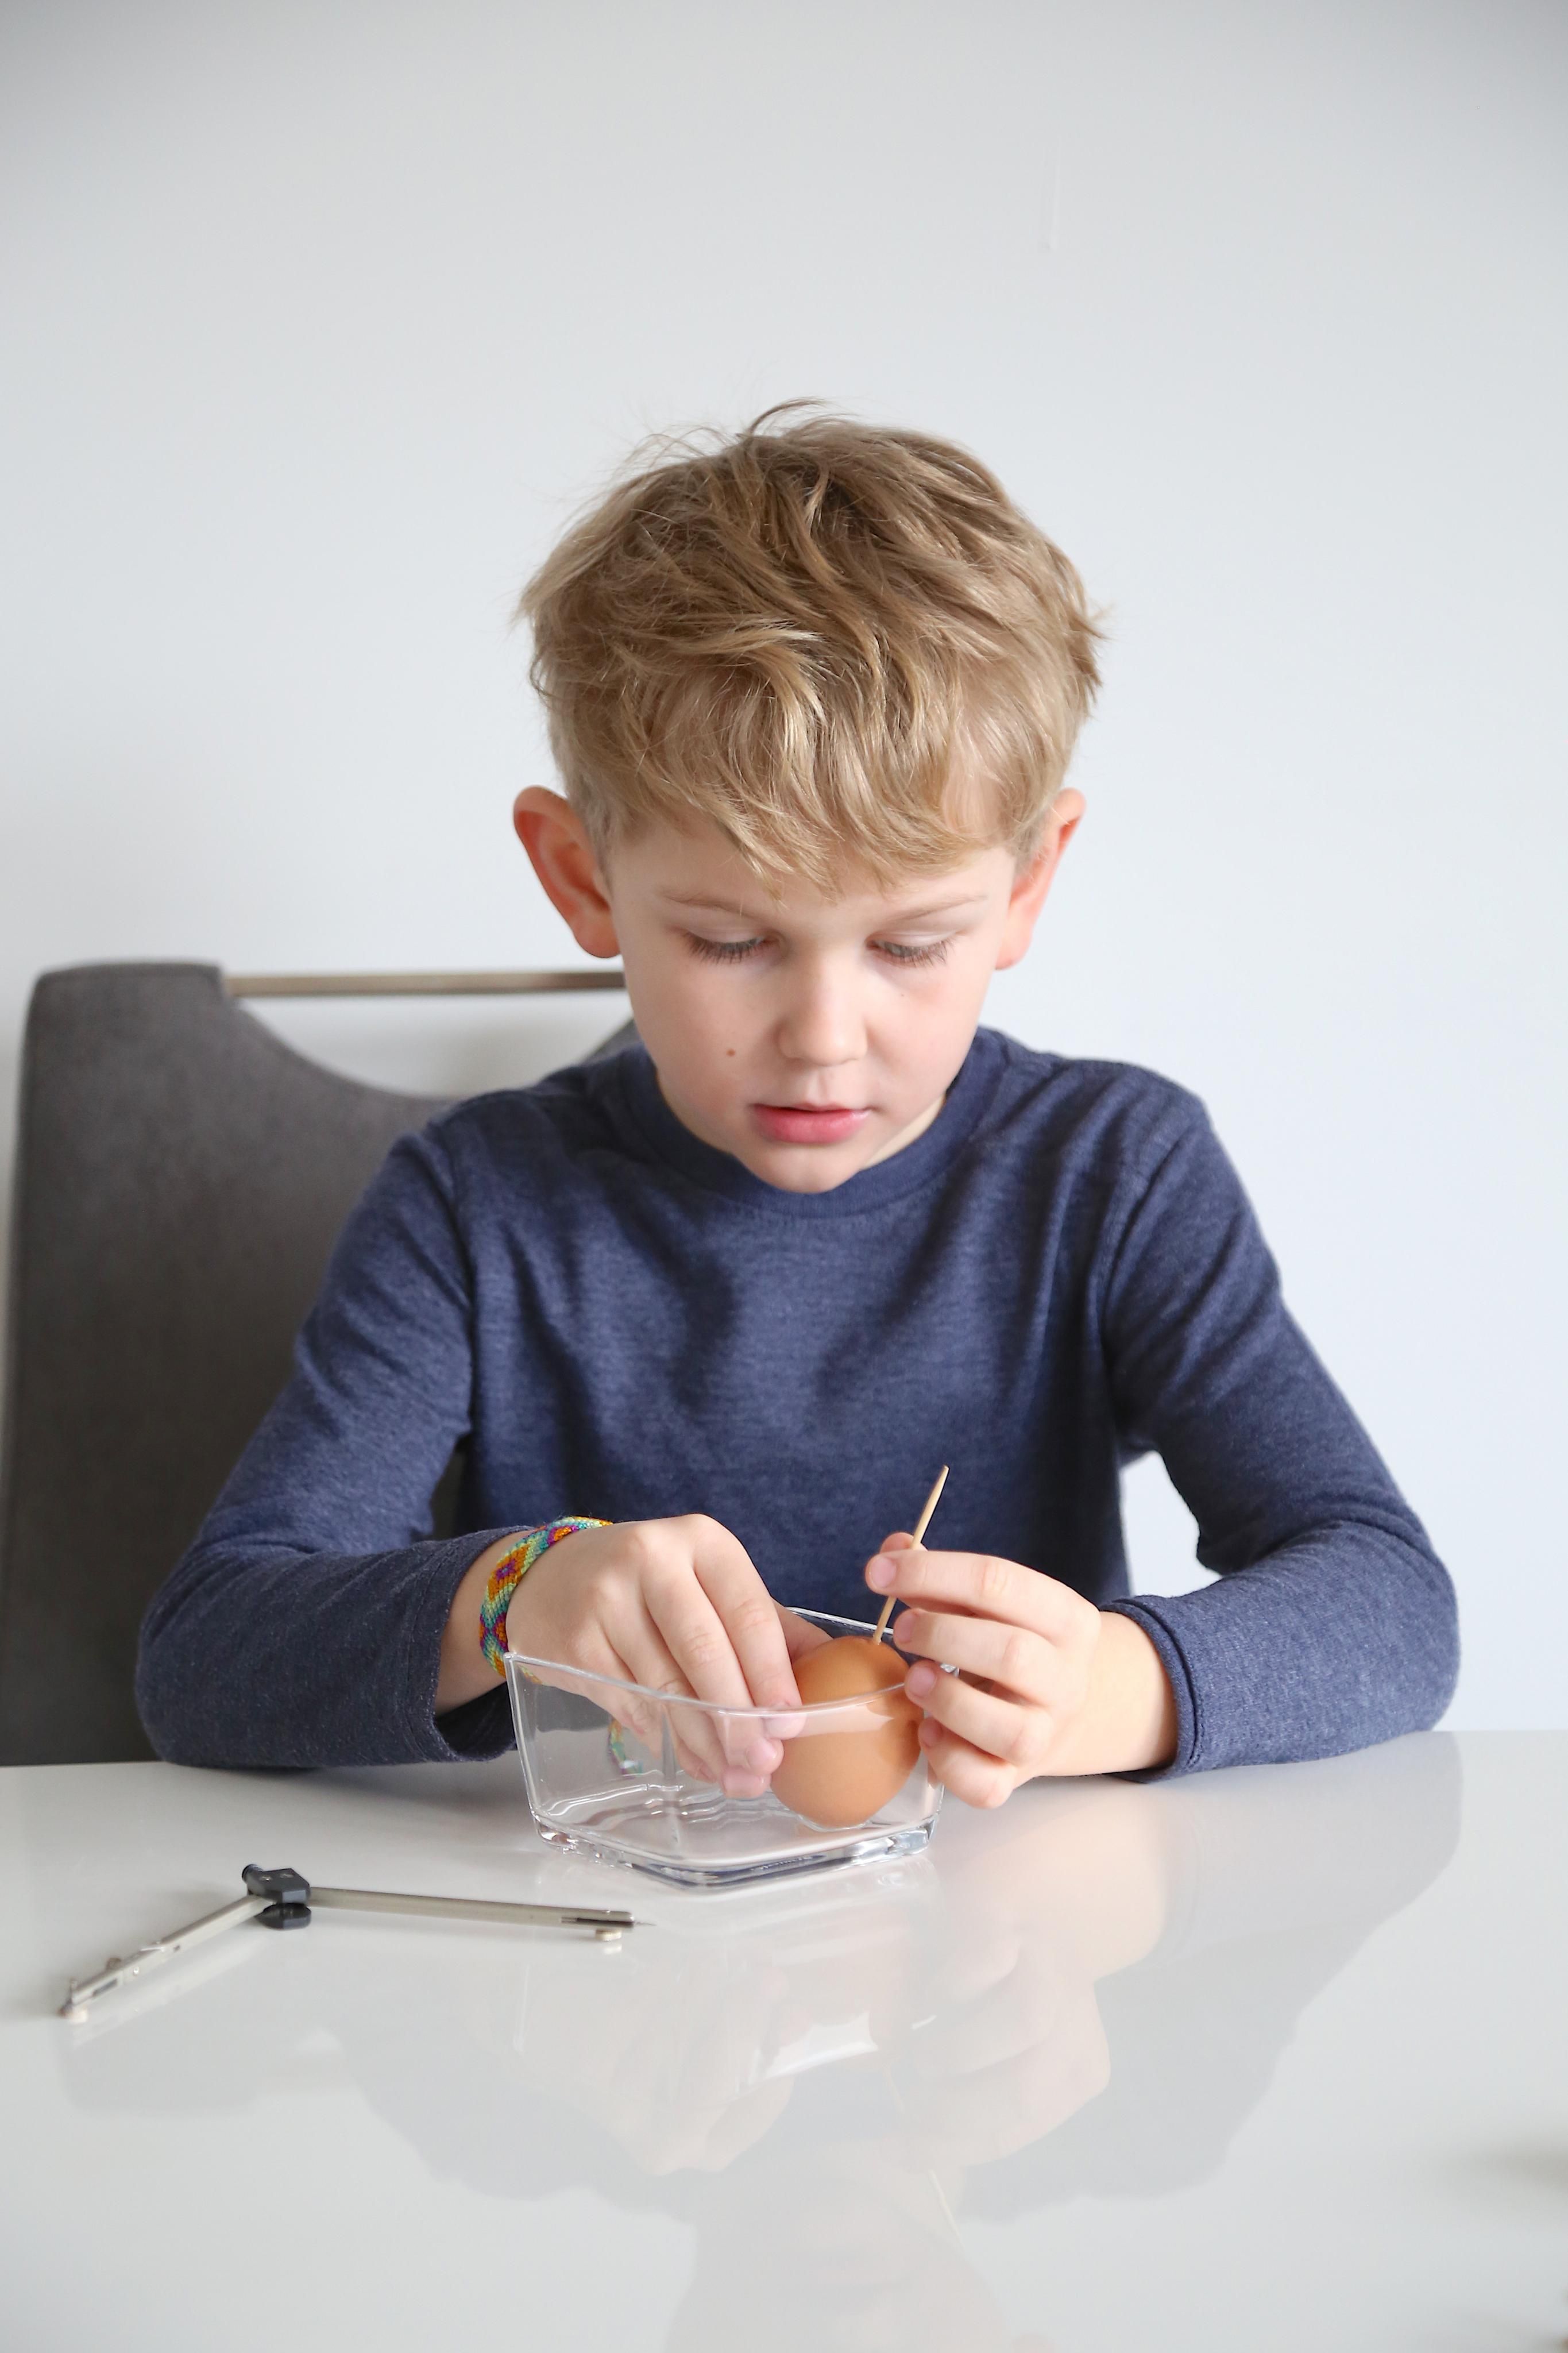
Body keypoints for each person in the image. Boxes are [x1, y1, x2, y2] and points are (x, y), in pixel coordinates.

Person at [136, 407, 1457, 1791]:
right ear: (583, 878)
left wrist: (1117, 1689)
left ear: (1027, 884)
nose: (824, 1039)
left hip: (1010, 1912)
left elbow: (1392, 1602)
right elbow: (205, 1656)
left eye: (911, 943)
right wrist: (518, 1590)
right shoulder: (476, 1205)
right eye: (731, 940)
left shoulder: (1114, 1173)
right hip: (593, 1914)